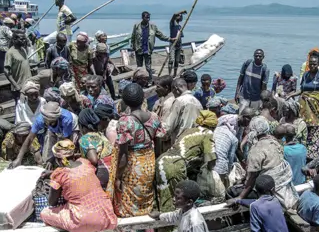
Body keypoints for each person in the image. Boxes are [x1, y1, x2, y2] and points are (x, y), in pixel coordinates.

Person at [40, 140, 122, 232]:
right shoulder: (86, 163)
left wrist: (53, 178)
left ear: (57, 160)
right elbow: (76, 171)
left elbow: (52, 202)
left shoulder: (59, 174)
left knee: (45, 213)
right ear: (74, 155)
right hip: (106, 214)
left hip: (81, 220)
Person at [111, 83, 165, 218]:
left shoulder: (125, 122)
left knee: (129, 202)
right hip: (149, 161)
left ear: (124, 101)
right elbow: (158, 141)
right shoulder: (154, 117)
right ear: (143, 99)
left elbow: (123, 154)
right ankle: (149, 230)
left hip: (133, 166)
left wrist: (117, 177)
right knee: (146, 197)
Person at [156, 110, 217, 215]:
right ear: (213, 126)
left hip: (162, 160)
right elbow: (211, 160)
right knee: (179, 202)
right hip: (175, 165)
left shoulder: (189, 130)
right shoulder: (208, 133)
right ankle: (174, 228)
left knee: (164, 196)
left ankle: (163, 228)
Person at [224, 175, 293, 232]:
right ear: (273, 189)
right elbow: (256, 202)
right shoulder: (276, 201)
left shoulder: (255, 207)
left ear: (256, 190)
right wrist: (239, 201)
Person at [229, 118, 297, 209]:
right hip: (281, 185)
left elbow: (253, 177)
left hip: (267, 189)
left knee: (231, 192)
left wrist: (240, 197)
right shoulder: (275, 143)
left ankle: (242, 217)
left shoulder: (256, 149)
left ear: (253, 131)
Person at [287, 53, 319, 161]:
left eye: (315, 64)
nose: (312, 66)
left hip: (316, 106)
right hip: (304, 105)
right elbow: (302, 90)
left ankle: (314, 152)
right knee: (304, 125)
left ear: (318, 64)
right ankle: (303, 147)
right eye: (310, 64)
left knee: (315, 127)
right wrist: (291, 95)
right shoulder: (305, 75)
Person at [12, 101, 77, 167]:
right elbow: (30, 138)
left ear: (56, 118)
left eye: (51, 122)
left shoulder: (66, 119)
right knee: (48, 153)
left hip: (72, 128)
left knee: (69, 151)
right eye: (46, 122)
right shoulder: (40, 120)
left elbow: (65, 143)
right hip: (53, 130)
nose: (48, 124)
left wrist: (57, 159)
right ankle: (50, 163)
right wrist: (19, 159)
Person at [131, 11, 173, 83]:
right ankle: (138, 80)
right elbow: (133, 37)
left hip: (147, 50)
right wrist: (132, 48)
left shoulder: (153, 27)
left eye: (149, 17)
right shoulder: (137, 26)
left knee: (148, 67)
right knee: (139, 67)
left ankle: (150, 81)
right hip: (139, 50)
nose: (148, 19)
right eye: (146, 17)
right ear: (142, 17)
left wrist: (169, 39)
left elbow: (160, 35)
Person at [78, 109, 115, 190]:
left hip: (103, 172)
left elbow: (94, 159)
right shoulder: (100, 134)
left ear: (82, 126)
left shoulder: (85, 138)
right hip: (113, 168)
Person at [163, 78, 202, 144]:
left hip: (179, 142)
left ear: (176, 88)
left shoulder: (179, 101)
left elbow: (169, 125)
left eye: (173, 92)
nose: (174, 95)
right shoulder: (198, 103)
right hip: (194, 141)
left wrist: (161, 135)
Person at [235, 49, 270, 114]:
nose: (258, 57)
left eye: (260, 56)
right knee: (241, 115)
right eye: (256, 56)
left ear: (263, 57)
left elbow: (264, 87)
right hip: (244, 96)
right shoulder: (247, 64)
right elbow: (240, 79)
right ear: (253, 56)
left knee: (253, 116)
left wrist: (262, 101)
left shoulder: (265, 70)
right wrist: (237, 93)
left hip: (256, 99)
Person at [4, 31, 32, 102]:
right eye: (21, 39)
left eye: (24, 39)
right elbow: (6, 71)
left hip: (28, 84)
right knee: (20, 108)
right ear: (14, 40)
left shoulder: (23, 50)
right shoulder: (10, 53)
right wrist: (16, 85)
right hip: (19, 87)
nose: (24, 40)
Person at [214, 114, 240, 187]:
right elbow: (230, 158)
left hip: (210, 164)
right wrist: (227, 173)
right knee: (219, 188)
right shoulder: (234, 139)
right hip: (221, 167)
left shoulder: (216, 130)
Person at [168, 10, 187, 77]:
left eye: (181, 16)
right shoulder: (172, 23)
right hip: (173, 44)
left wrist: (181, 47)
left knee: (177, 61)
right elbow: (174, 14)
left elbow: (180, 36)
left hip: (179, 45)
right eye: (179, 16)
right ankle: (169, 74)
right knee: (171, 60)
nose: (180, 17)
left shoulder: (180, 26)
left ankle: (175, 74)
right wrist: (182, 12)